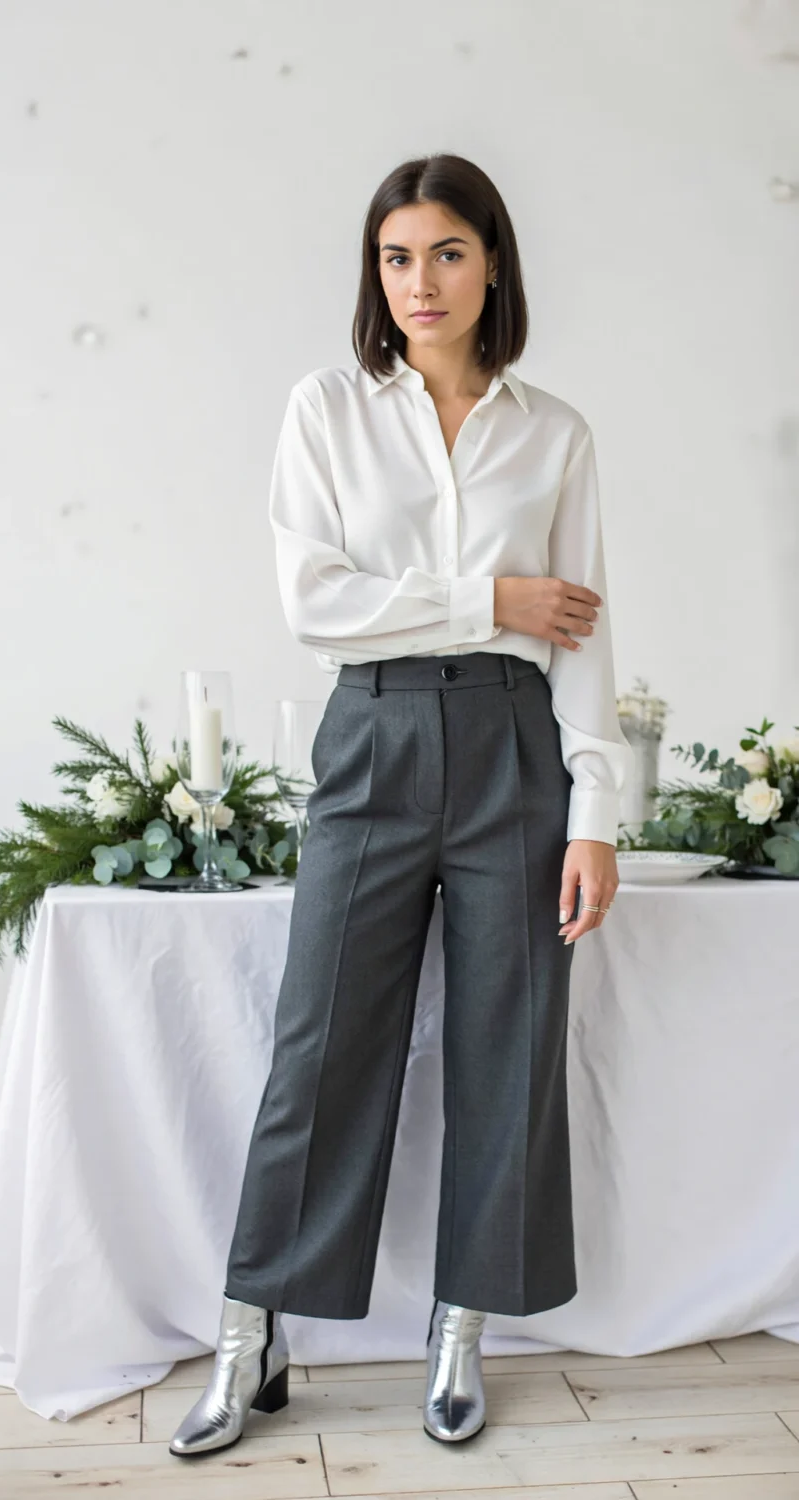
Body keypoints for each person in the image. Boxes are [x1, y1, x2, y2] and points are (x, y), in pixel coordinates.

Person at [169, 151, 634, 1458]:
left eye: (446, 253)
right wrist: (494, 597)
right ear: (373, 274)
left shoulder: (556, 435)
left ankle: (460, 1328)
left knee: (510, 1041)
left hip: (513, 746)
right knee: (322, 1045)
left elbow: (589, 632)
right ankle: (250, 1337)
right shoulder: (329, 410)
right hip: (372, 734)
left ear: (493, 265)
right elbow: (316, 602)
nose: (420, 282)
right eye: (396, 256)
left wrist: (594, 809)